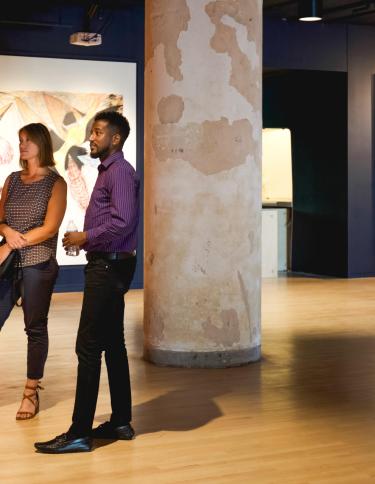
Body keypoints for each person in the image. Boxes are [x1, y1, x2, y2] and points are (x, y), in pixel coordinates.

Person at [35, 111, 140, 453]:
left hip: (108, 269)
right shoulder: (110, 171)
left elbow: (123, 222)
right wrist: (87, 240)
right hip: (108, 264)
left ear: (115, 138)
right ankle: (121, 421)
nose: (90, 138)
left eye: (97, 132)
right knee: (112, 344)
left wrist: (85, 236)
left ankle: (79, 432)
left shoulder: (120, 172)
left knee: (88, 347)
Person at [0, 122, 67, 420]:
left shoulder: (56, 183)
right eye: (20, 140)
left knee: (35, 328)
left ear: (42, 143)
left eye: (27, 140)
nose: (22, 145)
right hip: (7, 264)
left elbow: (50, 228)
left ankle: (30, 391)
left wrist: (13, 243)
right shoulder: (12, 180)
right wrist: (6, 233)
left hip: (38, 263)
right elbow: (0, 220)